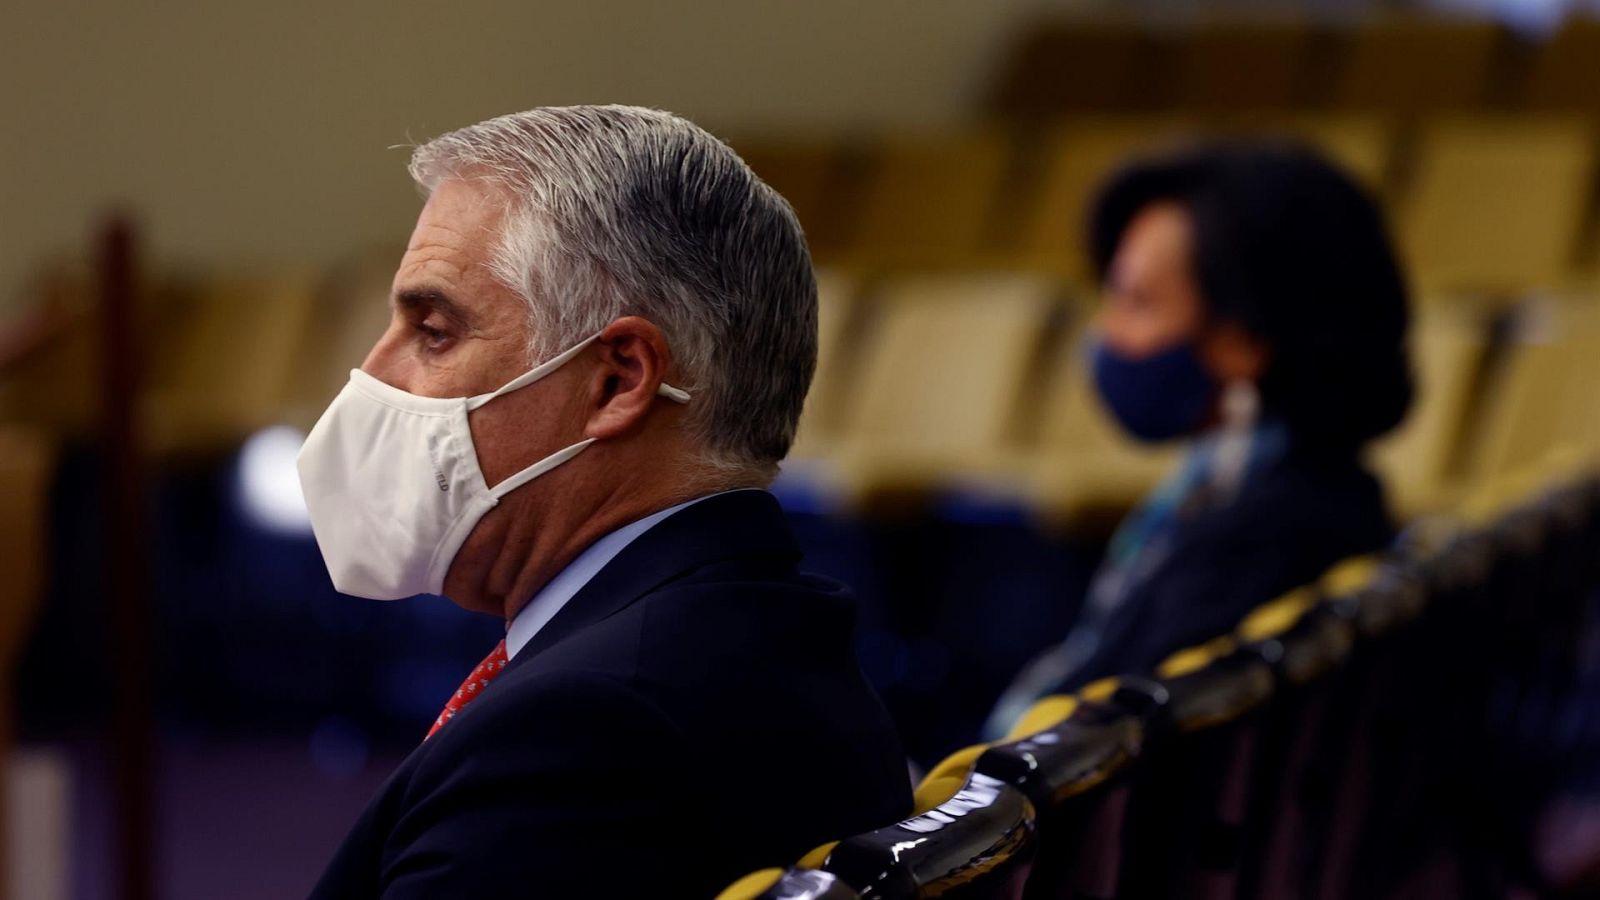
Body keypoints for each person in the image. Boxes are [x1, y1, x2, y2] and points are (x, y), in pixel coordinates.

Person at [297, 106, 910, 898]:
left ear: (618, 380)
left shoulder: (579, 734)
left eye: (435, 331)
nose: (376, 372)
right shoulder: (774, 636)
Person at [989, 142, 1412, 735]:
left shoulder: (1256, 546)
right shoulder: (1274, 491)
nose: (1105, 331)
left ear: (1245, 341)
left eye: (1137, 302)